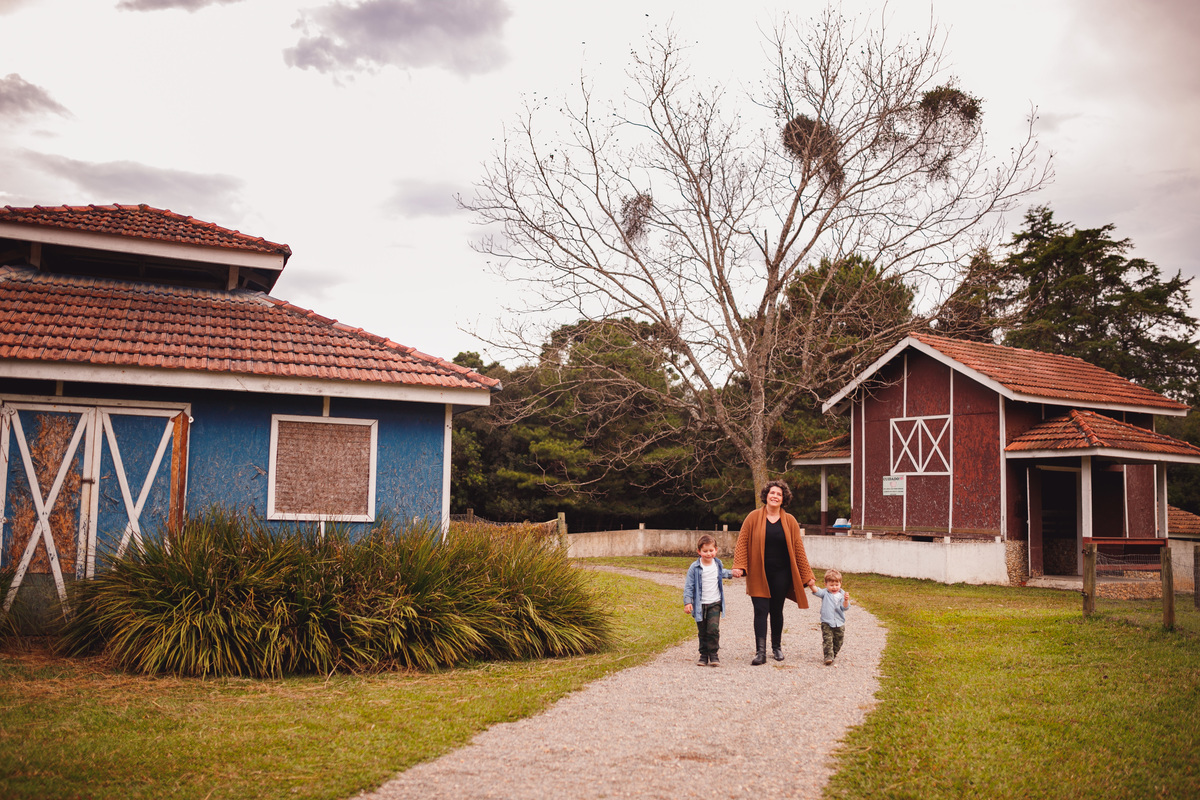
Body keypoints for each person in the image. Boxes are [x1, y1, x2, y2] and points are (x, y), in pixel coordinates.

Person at [732, 479, 816, 665]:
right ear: (766, 495)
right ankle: (760, 652)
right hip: (758, 573)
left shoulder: (790, 521)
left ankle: (776, 647)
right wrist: (739, 565)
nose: (775, 496)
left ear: (783, 498)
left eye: (779, 494)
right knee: (760, 611)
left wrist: (807, 575)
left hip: (781, 574)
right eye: (772, 493)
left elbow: (799, 549)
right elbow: (742, 541)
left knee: (776, 611)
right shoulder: (753, 517)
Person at [683, 534, 735, 667]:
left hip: (715, 603)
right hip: (699, 605)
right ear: (699, 551)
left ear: (716, 550)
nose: (708, 554)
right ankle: (703, 655)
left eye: (711, 550)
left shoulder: (717, 564)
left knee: (713, 629)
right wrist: (688, 602)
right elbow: (689, 586)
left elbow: (722, 573)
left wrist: (732, 573)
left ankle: (713, 654)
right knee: (702, 631)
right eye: (705, 551)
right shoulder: (694, 568)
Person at [811, 569, 850, 666]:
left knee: (839, 641)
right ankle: (828, 657)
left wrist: (846, 600)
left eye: (837, 585)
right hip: (827, 622)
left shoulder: (842, 595)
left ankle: (833, 654)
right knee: (828, 640)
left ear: (840, 584)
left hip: (839, 622)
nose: (834, 587)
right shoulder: (825, 593)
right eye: (831, 585)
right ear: (826, 584)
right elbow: (816, 591)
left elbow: (845, 607)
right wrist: (811, 585)